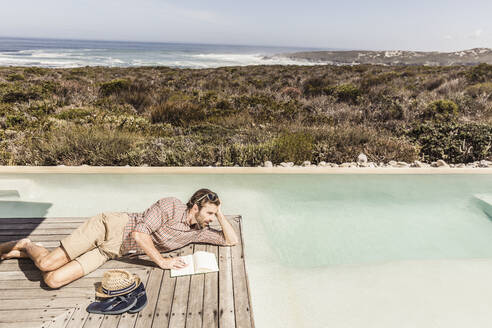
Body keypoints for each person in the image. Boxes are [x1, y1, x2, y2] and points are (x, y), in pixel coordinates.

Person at [0, 188, 238, 289]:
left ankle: (22, 252)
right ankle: (28, 244)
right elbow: (138, 233)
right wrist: (162, 262)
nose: (211, 220)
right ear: (195, 207)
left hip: (111, 251)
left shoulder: (197, 230)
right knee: (46, 264)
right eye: (209, 213)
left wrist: (220, 212)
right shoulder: (170, 206)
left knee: (53, 280)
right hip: (109, 228)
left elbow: (230, 241)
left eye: (214, 215)